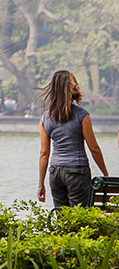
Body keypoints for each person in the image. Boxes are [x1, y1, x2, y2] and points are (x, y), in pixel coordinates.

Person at [38, 69, 108, 209]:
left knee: (62, 217)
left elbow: (44, 154)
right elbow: (94, 148)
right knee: (79, 216)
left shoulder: (45, 118)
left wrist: (41, 184)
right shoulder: (81, 116)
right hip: (77, 171)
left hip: (55, 172)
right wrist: (105, 174)